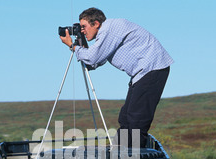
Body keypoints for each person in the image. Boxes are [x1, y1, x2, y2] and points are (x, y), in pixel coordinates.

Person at [60, 7, 173, 148]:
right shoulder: (106, 33)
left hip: (151, 68)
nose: (82, 31)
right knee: (125, 117)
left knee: (136, 119)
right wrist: (80, 43)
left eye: (84, 27)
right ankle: (119, 154)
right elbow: (93, 63)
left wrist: (72, 46)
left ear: (96, 23)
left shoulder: (109, 30)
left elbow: (92, 58)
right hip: (144, 72)